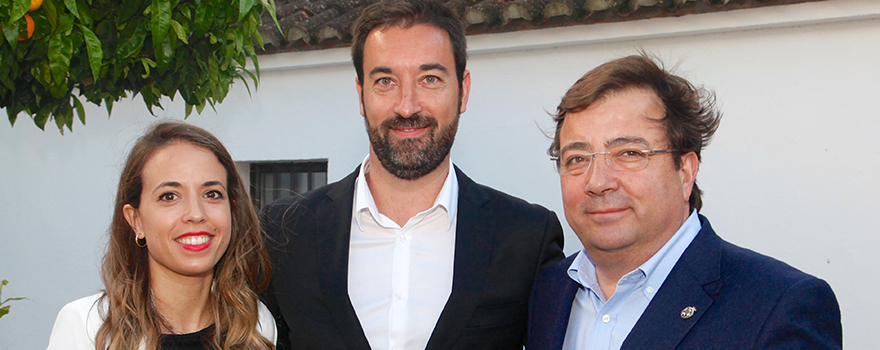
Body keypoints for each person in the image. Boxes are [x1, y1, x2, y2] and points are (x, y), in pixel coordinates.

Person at [259, 0, 565, 349]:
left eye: (429, 79)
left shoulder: (526, 237)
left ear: (463, 90)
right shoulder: (284, 232)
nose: (407, 106)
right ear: (361, 94)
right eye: (386, 81)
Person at [527, 54, 842, 349]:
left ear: (685, 171)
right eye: (577, 158)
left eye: (629, 153)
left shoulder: (779, 305)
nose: (597, 182)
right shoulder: (549, 292)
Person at [47, 122, 276, 349]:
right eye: (169, 196)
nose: (196, 214)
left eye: (212, 194)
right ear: (135, 220)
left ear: (232, 211)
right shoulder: (88, 328)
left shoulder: (254, 326)